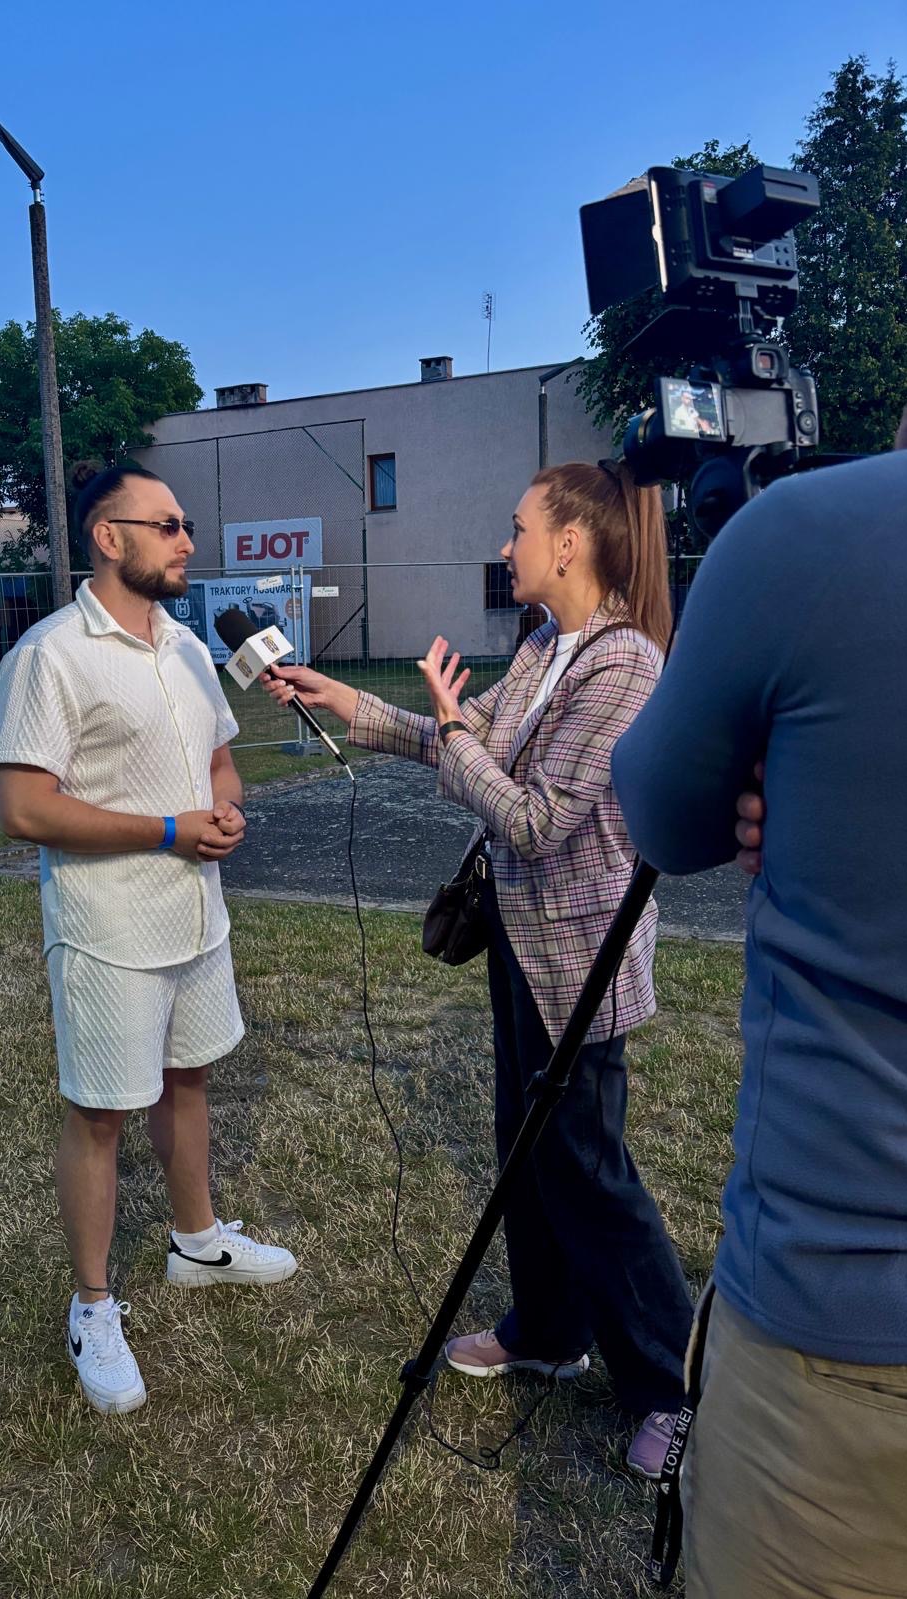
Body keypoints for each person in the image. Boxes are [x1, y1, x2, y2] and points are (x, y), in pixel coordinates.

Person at [265, 459, 693, 1476]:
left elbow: (534, 820)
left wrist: (457, 731)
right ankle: (548, 1332)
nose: (504, 546)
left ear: (569, 543)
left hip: (579, 963)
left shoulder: (621, 665)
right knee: (527, 1151)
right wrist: (348, 703)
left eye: (516, 528)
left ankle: (672, 1390)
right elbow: (455, 741)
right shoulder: (548, 647)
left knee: (590, 1172)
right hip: (519, 940)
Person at [612, 443, 907, 1598]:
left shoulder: (801, 535)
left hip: (843, 1338)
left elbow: (658, 812)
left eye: (526, 530)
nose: (506, 549)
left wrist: (780, 759)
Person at [0, 462, 297, 1418]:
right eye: (165, 525)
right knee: (100, 1113)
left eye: (186, 525)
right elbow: (24, 806)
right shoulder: (50, 655)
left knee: (192, 1074)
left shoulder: (191, 650)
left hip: (197, 917)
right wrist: (168, 829)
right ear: (107, 536)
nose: (187, 541)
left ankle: (196, 1238)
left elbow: (216, 761)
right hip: (109, 927)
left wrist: (226, 809)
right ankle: (92, 1304)